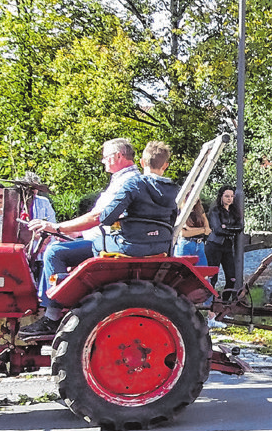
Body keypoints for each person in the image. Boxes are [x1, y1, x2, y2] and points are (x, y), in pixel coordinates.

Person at [19, 140, 173, 339]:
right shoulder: (140, 182)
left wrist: (57, 227)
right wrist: (71, 233)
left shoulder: (128, 183)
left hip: (118, 242)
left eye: (105, 156)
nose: (102, 161)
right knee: (60, 247)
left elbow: (99, 217)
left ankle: (52, 315)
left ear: (118, 156)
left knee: (54, 252)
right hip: (133, 240)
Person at [205, 185, 242, 329]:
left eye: (232, 196)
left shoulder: (233, 212)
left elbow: (240, 227)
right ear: (221, 196)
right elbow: (218, 229)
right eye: (227, 196)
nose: (230, 199)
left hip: (227, 247)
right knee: (212, 279)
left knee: (231, 278)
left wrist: (228, 229)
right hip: (214, 246)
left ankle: (224, 308)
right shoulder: (215, 211)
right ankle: (211, 312)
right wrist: (229, 229)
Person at [174, 199, 211, 265]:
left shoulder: (199, 209)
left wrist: (190, 229)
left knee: (202, 272)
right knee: (183, 272)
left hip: (200, 245)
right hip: (185, 244)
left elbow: (208, 230)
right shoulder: (179, 210)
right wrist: (203, 230)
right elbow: (183, 233)